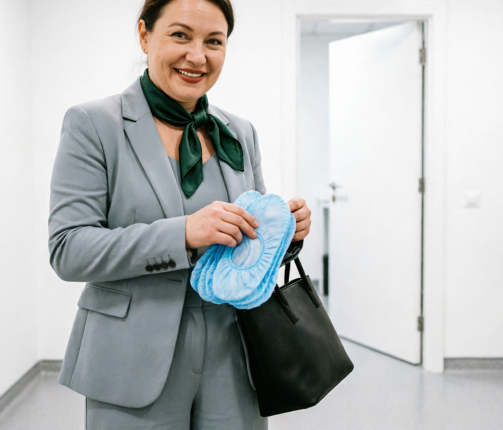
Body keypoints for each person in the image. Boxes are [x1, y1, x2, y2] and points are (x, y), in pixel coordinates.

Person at [48, 0, 311, 428]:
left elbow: (250, 251)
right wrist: (184, 234)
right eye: (180, 35)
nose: (197, 56)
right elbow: (68, 249)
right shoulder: (93, 124)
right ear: (144, 35)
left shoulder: (239, 133)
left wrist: (284, 232)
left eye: (214, 42)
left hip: (236, 354)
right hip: (131, 357)